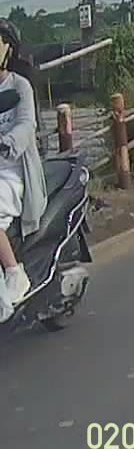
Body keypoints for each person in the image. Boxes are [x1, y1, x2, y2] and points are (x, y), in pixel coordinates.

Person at [0, 19, 45, 323]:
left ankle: (14, 272)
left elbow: (28, 125)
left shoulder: (19, 86)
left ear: (9, 49)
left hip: (11, 172)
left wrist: (6, 142)